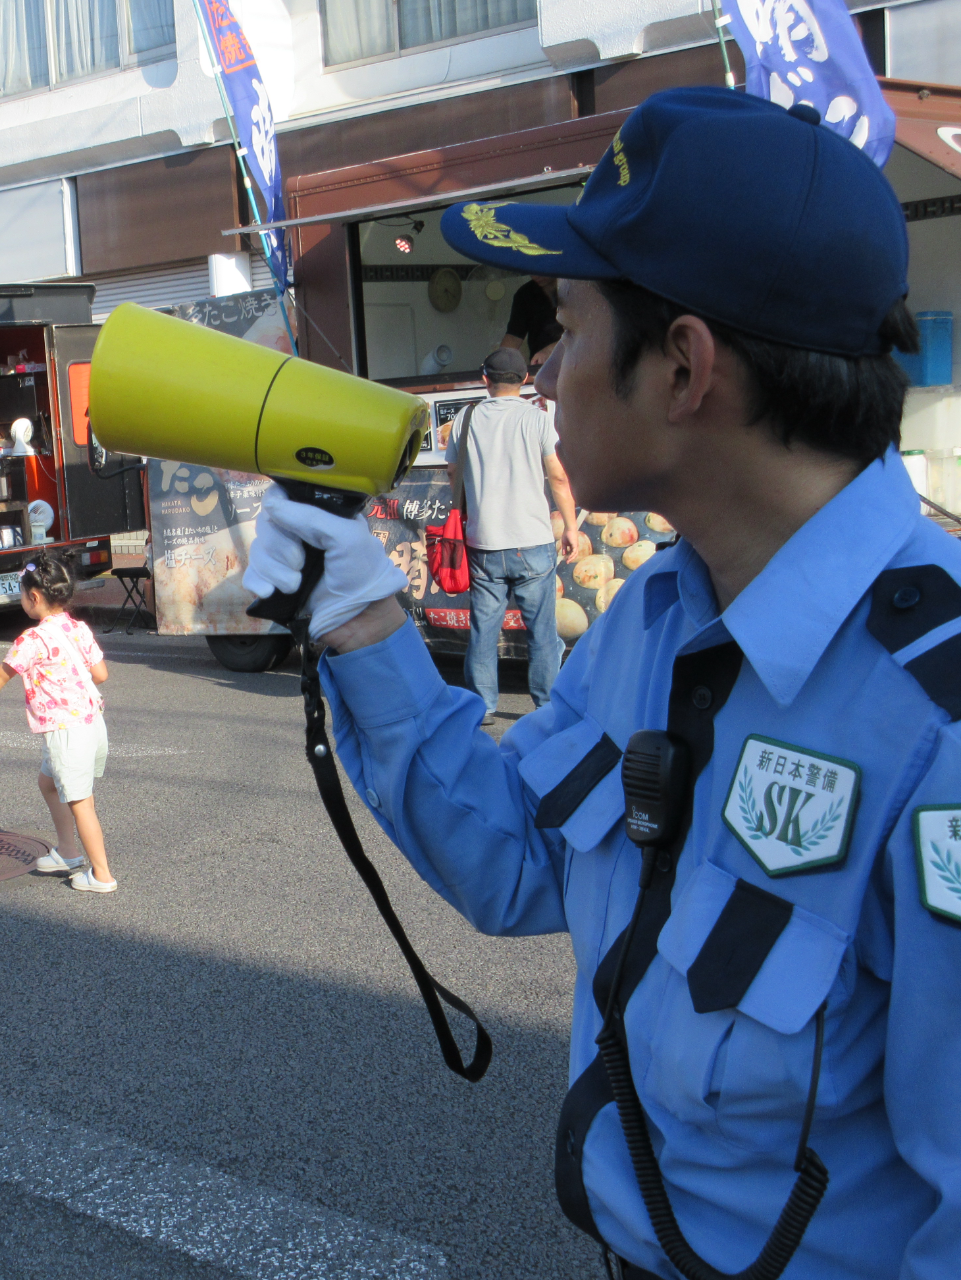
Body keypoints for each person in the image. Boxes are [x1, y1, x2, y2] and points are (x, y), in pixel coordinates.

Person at [244, 88, 957, 1280]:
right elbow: (515, 857)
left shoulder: (935, 715)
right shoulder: (652, 617)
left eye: (568, 328)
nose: (550, 367)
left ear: (681, 366)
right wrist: (361, 621)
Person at [0, 549, 116, 892]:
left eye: (22, 595)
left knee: (80, 801)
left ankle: (102, 875)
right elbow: (100, 673)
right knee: (49, 783)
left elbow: (2, 675)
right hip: (91, 723)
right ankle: (68, 852)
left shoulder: (33, 640)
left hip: (65, 732)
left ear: (35, 597)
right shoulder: (79, 628)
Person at [445, 347, 581, 723]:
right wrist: (570, 526)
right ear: (524, 380)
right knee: (541, 629)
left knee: (484, 629)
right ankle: (547, 706)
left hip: (483, 541)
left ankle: (483, 705)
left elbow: (452, 472)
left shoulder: (465, 417)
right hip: (532, 541)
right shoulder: (536, 419)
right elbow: (556, 475)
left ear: (485, 378)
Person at [501, 274, 562, 368]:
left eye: (540, 266)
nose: (535, 275)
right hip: (539, 369)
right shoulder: (525, 294)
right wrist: (498, 363)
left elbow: (587, 335)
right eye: (531, 270)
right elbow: (513, 338)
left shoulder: (578, 290)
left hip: (576, 366)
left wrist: (550, 350)